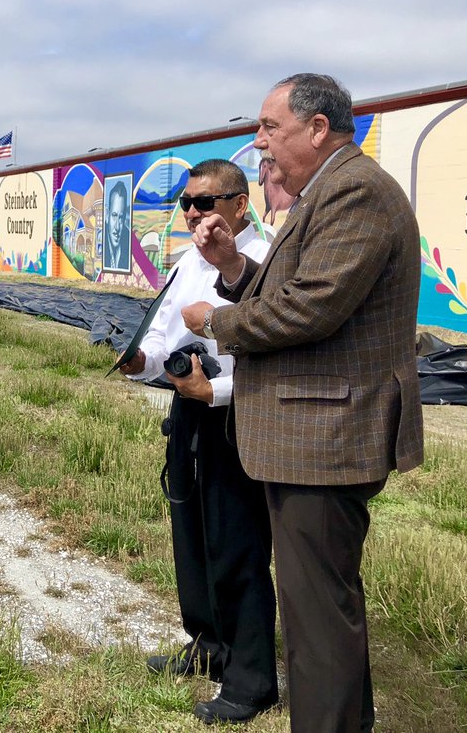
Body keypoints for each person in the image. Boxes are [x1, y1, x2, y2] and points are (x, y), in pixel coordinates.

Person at [183, 74, 424, 732]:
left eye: (270, 127)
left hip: (326, 439)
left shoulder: (356, 193)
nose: (258, 140)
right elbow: (289, 288)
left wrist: (215, 321)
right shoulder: (329, 192)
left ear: (317, 129)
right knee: (320, 612)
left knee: (319, 620)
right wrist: (236, 268)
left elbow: (311, 309)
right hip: (309, 438)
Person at [119, 158, 278, 725]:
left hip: (237, 415)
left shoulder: (263, 262)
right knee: (191, 535)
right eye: (186, 203)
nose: (192, 213)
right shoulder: (187, 259)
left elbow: (271, 356)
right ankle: (208, 643)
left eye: (204, 203)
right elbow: (163, 332)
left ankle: (252, 679)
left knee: (238, 545)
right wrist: (141, 361)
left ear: (239, 204)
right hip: (188, 407)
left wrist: (216, 390)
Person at [104, 180, 131, 271]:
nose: (117, 227)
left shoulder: (128, 241)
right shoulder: (100, 239)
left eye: (121, 217)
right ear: (107, 215)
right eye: (114, 215)